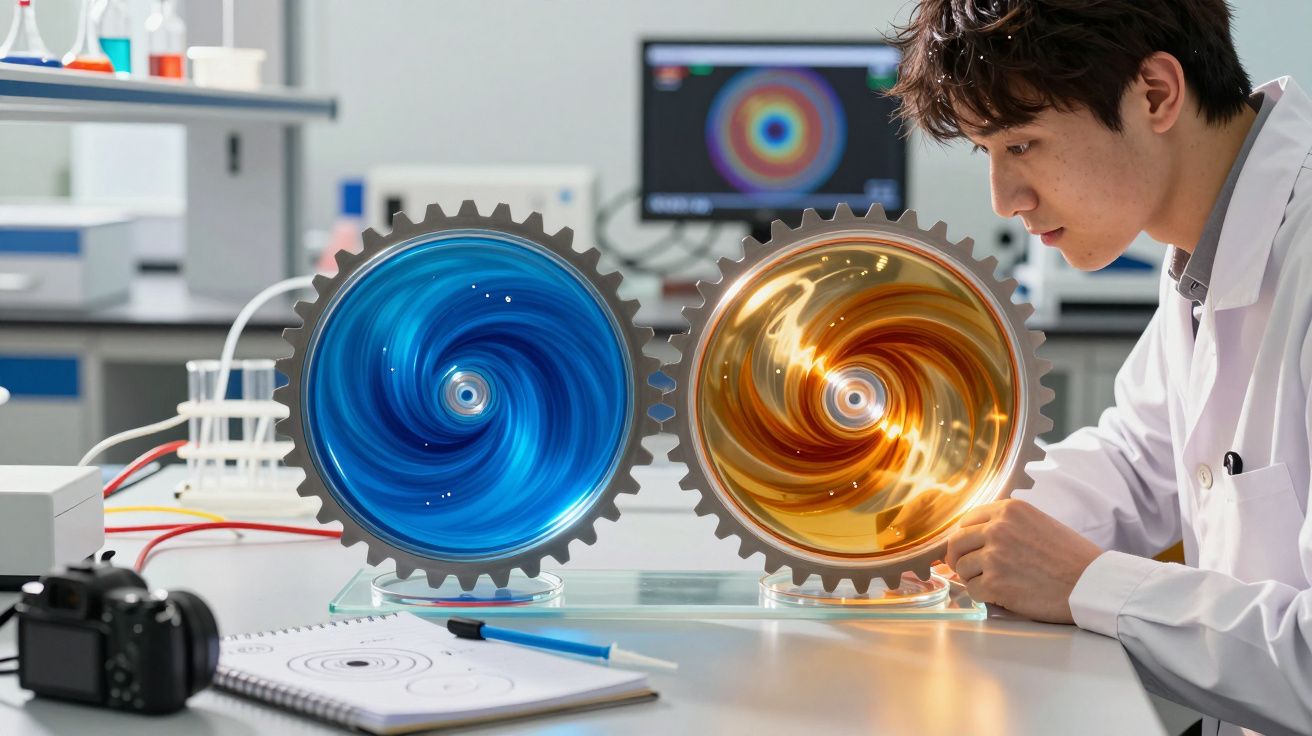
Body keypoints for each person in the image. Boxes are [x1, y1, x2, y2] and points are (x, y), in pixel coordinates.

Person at [887, 2, 1312, 734]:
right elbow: (1138, 459)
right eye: (987, 153)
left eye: (1022, 144)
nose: (1005, 200)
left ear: (1154, 93)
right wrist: (948, 533)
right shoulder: (1201, 239)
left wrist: (1088, 583)